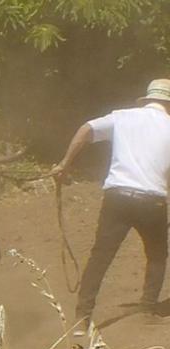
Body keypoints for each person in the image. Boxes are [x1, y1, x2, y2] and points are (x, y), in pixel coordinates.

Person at [52, 79, 170, 332]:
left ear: (148, 99)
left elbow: (86, 129)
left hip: (117, 197)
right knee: (157, 255)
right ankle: (147, 308)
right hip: (152, 201)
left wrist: (65, 164)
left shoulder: (123, 117)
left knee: (100, 256)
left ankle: (83, 318)